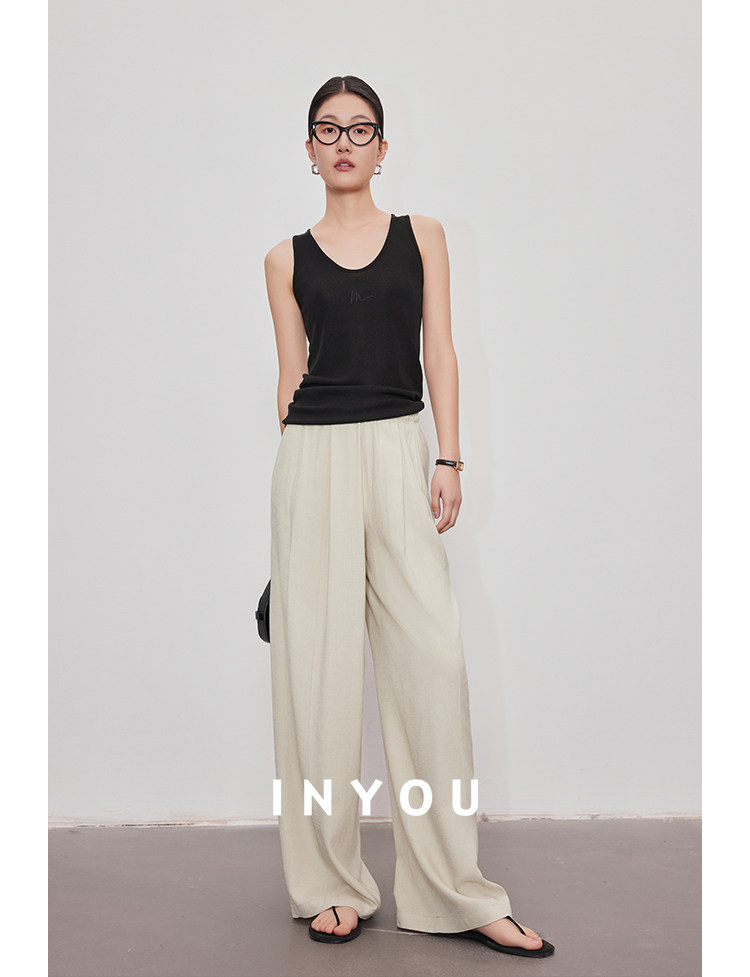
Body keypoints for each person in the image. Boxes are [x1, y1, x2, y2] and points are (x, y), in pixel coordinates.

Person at [263, 74, 554, 959]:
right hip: (313, 458)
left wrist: (449, 456)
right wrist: (293, 513)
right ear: (308, 150)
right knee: (315, 682)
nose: (344, 143)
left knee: (432, 668)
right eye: (328, 130)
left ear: (384, 147)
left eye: (361, 129)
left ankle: (453, 889)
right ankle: (329, 881)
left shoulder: (421, 235)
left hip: (398, 448)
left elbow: (441, 350)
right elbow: (289, 380)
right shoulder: (283, 259)